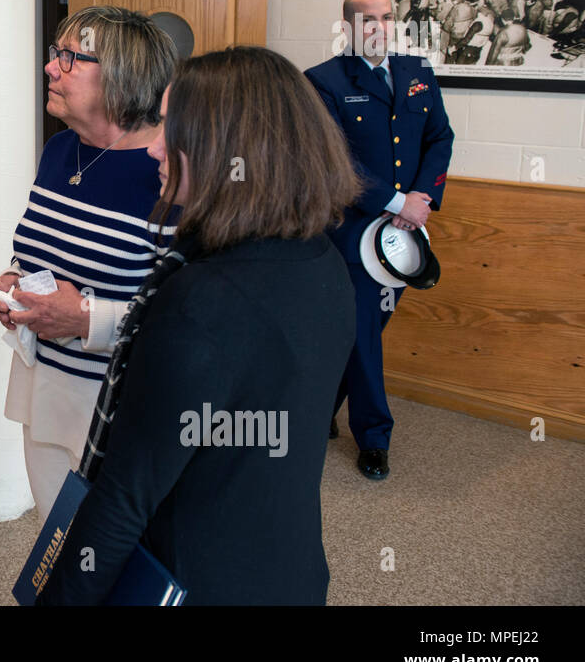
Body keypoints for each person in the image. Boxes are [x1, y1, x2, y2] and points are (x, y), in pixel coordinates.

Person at [37, 47, 359, 605]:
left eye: (170, 126)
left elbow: (124, 499)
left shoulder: (201, 302)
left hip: (192, 578)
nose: (156, 146)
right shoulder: (321, 261)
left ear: (230, 148)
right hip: (285, 567)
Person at [0, 6, 179, 516]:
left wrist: (85, 319)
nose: (51, 67)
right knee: (58, 541)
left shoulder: (170, 173)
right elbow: (39, 247)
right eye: (56, 53)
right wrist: (13, 278)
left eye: (71, 58)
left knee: (111, 556)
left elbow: (186, 319)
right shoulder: (59, 150)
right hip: (44, 383)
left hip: (119, 405)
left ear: (123, 75)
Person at [305, 0, 454, 480]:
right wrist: (396, 202)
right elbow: (333, 163)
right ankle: (374, 438)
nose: (380, 28)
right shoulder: (323, 81)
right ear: (348, 26)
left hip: (409, 230)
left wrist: (423, 199)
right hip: (352, 233)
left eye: (387, 18)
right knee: (366, 334)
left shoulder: (417, 73)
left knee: (361, 333)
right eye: (368, 19)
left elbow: (440, 138)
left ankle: (319, 408)